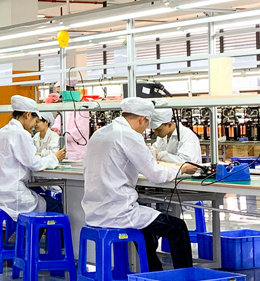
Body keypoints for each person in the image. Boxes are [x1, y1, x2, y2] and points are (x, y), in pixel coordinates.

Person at [82, 97, 197, 271]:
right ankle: (185, 279)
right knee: (178, 228)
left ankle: (154, 273)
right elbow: (155, 175)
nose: (146, 129)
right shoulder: (129, 135)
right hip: (118, 211)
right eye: (147, 124)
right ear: (142, 119)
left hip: (94, 209)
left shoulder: (100, 133)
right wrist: (181, 169)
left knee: (147, 230)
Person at [0, 95, 67, 219]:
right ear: (28, 115)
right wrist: (55, 158)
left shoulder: (2, 132)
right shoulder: (20, 133)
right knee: (55, 206)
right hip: (14, 198)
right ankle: (33, 233)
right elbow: (35, 164)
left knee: (38, 194)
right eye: (35, 120)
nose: (34, 125)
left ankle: (24, 231)